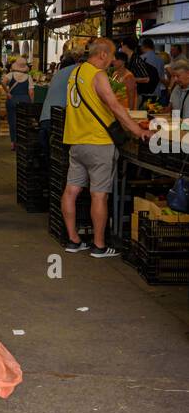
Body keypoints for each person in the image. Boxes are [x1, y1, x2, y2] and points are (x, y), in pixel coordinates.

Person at [60, 37, 147, 258]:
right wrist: (138, 131)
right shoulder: (98, 75)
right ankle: (99, 246)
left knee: (71, 191)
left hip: (76, 141)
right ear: (102, 54)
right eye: (111, 55)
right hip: (98, 143)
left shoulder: (76, 72)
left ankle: (73, 240)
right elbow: (115, 106)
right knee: (99, 195)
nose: (112, 60)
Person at [40, 49, 77, 152]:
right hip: (57, 118)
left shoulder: (57, 75)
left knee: (50, 154)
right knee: (58, 152)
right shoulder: (75, 70)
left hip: (45, 117)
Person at [4, 55, 32, 147]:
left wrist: (7, 92)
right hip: (25, 100)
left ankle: (13, 142)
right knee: (24, 122)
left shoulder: (10, 75)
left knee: (12, 121)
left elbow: (3, 82)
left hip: (13, 99)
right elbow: (31, 92)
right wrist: (32, 102)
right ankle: (22, 142)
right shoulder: (29, 77)